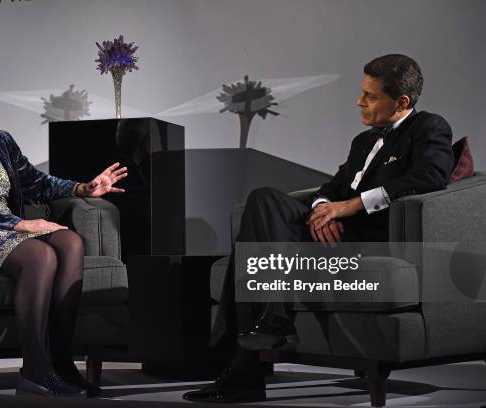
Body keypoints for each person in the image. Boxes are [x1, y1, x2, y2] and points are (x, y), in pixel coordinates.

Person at [183, 54, 454, 403]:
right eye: (362, 93)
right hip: (333, 233)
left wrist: (351, 206)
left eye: (370, 96)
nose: (360, 101)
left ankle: (245, 371)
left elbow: (431, 176)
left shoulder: (429, 128)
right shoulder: (363, 142)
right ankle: (274, 320)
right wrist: (322, 207)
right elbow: (334, 186)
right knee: (263, 200)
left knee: (253, 248)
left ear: (401, 101)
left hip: (369, 236)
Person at [0, 59, 128, 397]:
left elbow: (35, 182)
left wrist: (82, 188)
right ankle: (35, 370)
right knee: (40, 257)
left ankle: (61, 362)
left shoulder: (1, 140)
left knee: (71, 243)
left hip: (3, 227)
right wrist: (19, 223)